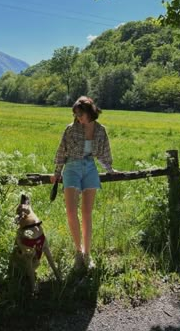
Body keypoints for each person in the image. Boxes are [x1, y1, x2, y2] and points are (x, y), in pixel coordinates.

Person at [51, 96, 115, 271]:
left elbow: (104, 153)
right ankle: (78, 252)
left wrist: (110, 169)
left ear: (89, 112)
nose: (78, 118)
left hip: (89, 168)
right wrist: (57, 173)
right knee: (71, 211)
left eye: (80, 114)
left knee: (87, 213)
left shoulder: (101, 130)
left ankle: (87, 255)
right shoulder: (70, 129)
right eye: (76, 115)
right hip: (71, 166)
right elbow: (61, 151)